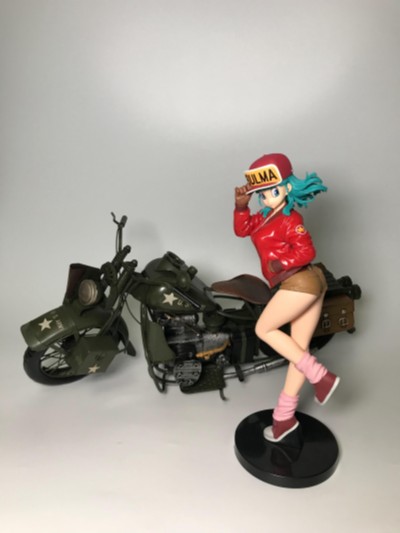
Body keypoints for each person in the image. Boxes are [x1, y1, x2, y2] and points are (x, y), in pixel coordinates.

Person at [234, 153, 339, 442]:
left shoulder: (292, 218)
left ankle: (320, 376)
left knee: (263, 328)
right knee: (298, 350)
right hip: (305, 284)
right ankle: (284, 417)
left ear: (288, 188)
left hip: (300, 282)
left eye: (273, 191)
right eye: (262, 194)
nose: (267, 197)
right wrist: (241, 206)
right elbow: (242, 229)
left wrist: (280, 264)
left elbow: (307, 251)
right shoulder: (265, 216)